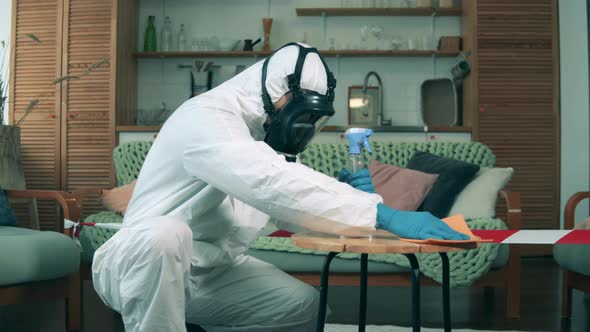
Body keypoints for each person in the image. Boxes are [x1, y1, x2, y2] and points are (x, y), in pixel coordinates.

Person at [92, 43, 467, 332]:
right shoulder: (205, 118)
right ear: (276, 93)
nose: (305, 126)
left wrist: (354, 198)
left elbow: (292, 203)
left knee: (303, 307)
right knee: (165, 234)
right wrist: (382, 214)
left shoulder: (266, 141)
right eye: (303, 114)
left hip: (210, 272)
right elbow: (271, 182)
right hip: (141, 266)